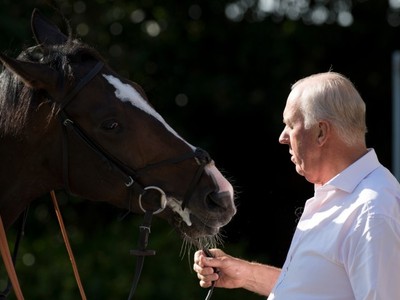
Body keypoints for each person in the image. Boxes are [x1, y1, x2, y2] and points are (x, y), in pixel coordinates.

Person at [193, 71, 400, 299]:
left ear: (321, 132)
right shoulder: (345, 198)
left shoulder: (373, 210)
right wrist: (246, 274)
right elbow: (316, 289)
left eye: (291, 125)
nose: (282, 137)